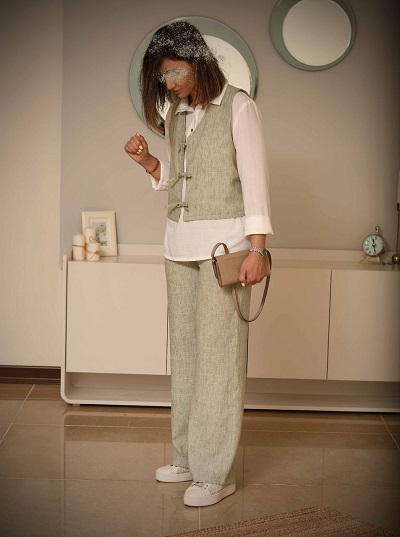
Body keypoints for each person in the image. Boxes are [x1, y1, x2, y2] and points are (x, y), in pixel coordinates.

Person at [124, 21, 273, 507]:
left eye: (174, 72)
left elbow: (254, 180)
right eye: (161, 76)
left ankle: (215, 473)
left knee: (218, 360)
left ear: (197, 61)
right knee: (186, 356)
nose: (168, 83)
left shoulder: (239, 107)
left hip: (224, 251)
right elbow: (184, 178)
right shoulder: (177, 115)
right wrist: (150, 163)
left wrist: (257, 249)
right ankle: (188, 456)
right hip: (178, 246)